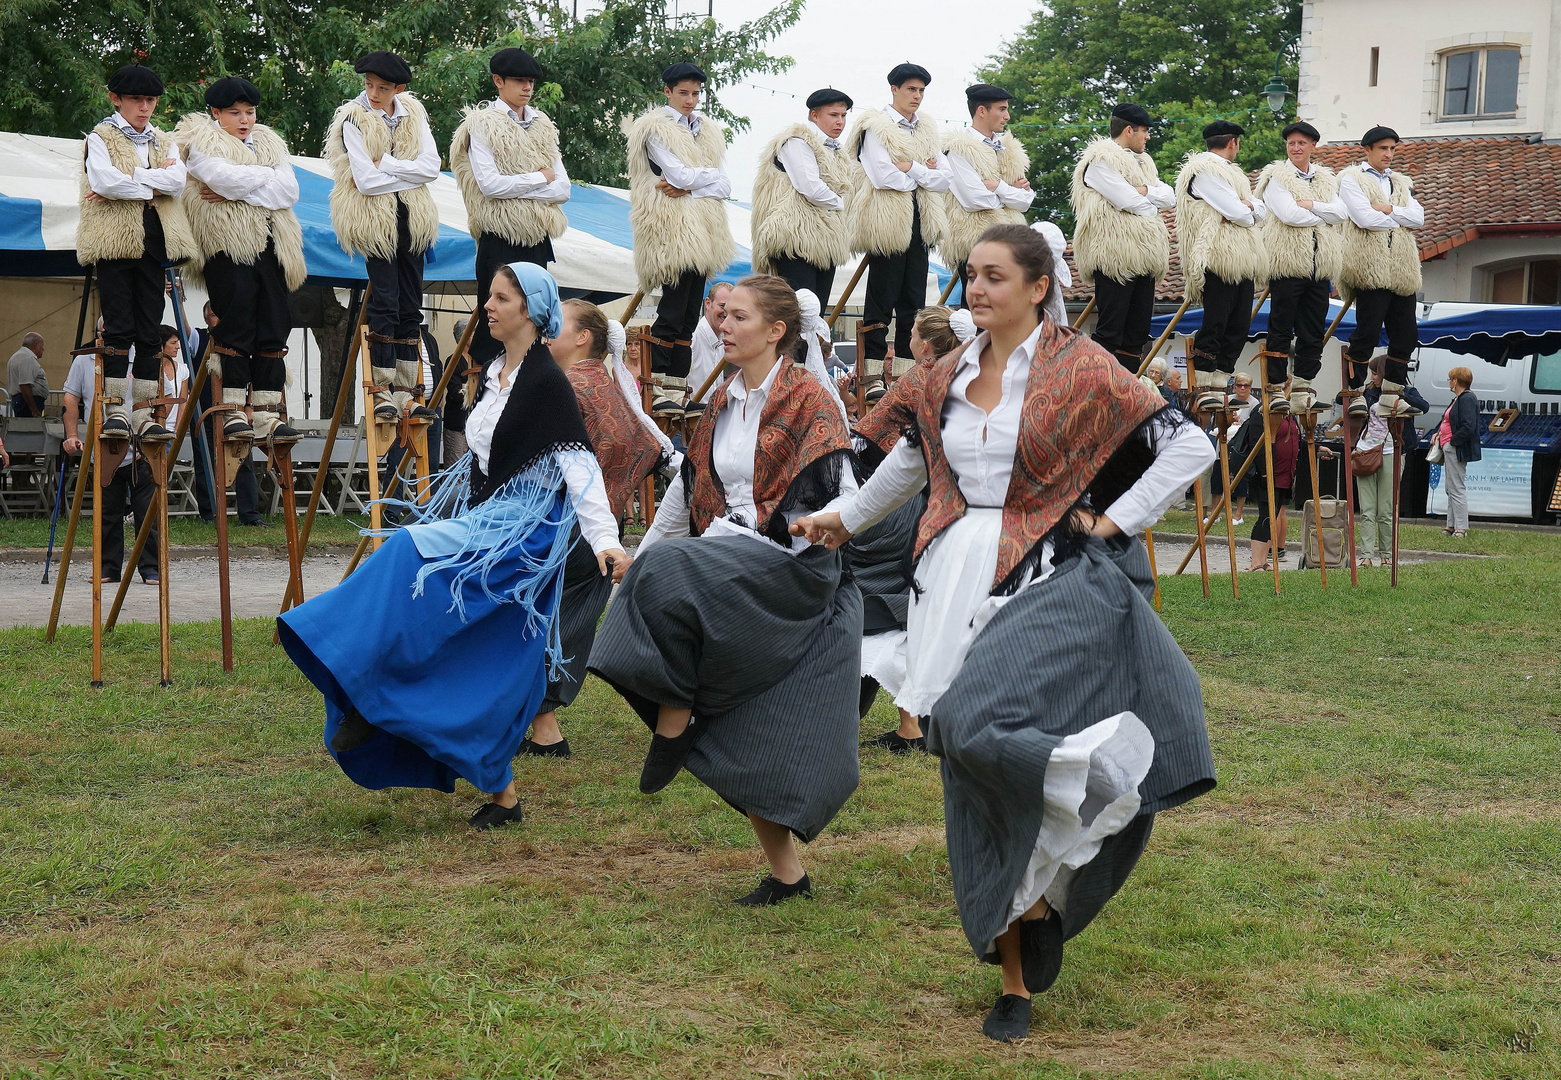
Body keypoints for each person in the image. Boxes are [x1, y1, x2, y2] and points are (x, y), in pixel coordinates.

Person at [793, 224, 1216, 1042]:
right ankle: (1017, 958)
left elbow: (1186, 443)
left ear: (1035, 286)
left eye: (993, 276)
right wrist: (841, 520)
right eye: (968, 276)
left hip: (1047, 572)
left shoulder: (1081, 364)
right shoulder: (942, 372)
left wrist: (1113, 522)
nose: (975, 289)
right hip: (952, 570)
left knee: (979, 727)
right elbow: (912, 466)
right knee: (964, 759)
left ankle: (1094, 789)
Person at [278, 262, 629, 831]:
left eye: (500, 298)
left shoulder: (545, 383)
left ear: (530, 312)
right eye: (489, 297)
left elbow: (580, 466)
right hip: (489, 522)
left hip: (523, 537)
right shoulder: (495, 374)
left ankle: (345, 666)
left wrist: (608, 542)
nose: (487, 306)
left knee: (405, 556)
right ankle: (491, 787)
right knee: (468, 654)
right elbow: (483, 460)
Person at [588, 275, 862, 906]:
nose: (722, 324)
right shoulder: (722, 399)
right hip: (727, 559)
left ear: (775, 330)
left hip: (791, 568)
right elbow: (686, 494)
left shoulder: (810, 400)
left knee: (670, 576)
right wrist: (642, 556)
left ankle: (674, 721)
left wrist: (830, 522)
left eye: (738, 316)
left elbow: (848, 489)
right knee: (746, 719)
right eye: (721, 315)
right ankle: (788, 876)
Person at [523, 300, 675, 758]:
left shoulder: (565, 386)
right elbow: (647, 447)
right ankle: (543, 729)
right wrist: (618, 490)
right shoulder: (608, 384)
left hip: (563, 524)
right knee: (562, 621)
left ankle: (538, 726)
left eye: (558, 324)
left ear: (583, 336)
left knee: (533, 618)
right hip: (601, 528)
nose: (548, 330)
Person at [853, 305, 964, 753]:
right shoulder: (966, 376)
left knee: (867, 591)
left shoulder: (922, 377)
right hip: (931, 502)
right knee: (909, 601)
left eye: (912, 333)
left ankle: (910, 722)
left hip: (896, 501)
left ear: (925, 344)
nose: (909, 341)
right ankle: (917, 716)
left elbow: (868, 443)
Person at [177, 75, 305, 446]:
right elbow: (221, 178)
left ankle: (266, 413)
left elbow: (289, 190)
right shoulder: (200, 141)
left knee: (275, 319)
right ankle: (233, 408)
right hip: (227, 245)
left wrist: (240, 189)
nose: (245, 120)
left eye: (250, 112)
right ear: (216, 113)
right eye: (235, 113)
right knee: (237, 319)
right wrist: (264, 183)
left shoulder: (269, 142)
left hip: (271, 244)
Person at [77, 64, 194, 444]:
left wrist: (133, 180)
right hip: (115, 242)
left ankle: (143, 411)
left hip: (154, 241)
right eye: (136, 100)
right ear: (116, 99)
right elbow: (102, 181)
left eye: (150, 100)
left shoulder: (164, 139)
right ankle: (114, 408)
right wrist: (153, 181)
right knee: (118, 325)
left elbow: (178, 183)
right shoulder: (100, 136)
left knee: (149, 328)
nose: (145, 107)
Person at [327, 50, 441, 426]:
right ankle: (383, 392)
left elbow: (433, 168)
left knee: (412, 305)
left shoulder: (413, 114)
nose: (374, 93)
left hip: (412, 216)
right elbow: (365, 180)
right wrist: (409, 173)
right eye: (370, 85)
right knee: (386, 303)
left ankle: (408, 392)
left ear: (400, 88)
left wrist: (389, 165)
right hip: (376, 221)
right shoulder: (353, 117)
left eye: (384, 87)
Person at [451, 47, 572, 372]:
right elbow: (489, 186)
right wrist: (538, 178)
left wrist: (519, 187)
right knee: (497, 325)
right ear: (498, 81)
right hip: (498, 239)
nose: (527, 87)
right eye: (519, 80)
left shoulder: (543, 126)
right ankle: (486, 399)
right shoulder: (482, 124)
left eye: (530, 81)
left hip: (536, 238)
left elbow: (564, 188)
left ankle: (526, 393)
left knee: (536, 321)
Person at [845, 63, 950, 403]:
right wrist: (922, 174)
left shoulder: (927, 130)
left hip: (920, 225)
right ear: (894, 89)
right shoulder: (876, 126)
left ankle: (907, 375)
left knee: (913, 305)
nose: (917, 96)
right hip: (887, 224)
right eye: (910, 89)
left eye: (921, 91)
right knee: (880, 303)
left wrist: (910, 167)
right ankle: (872, 376)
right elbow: (882, 177)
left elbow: (945, 179)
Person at [627, 62, 736, 378]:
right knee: (672, 312)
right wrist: (704, 180)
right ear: (668, 92)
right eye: (684, 93)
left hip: (703, 231)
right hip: (672, 230)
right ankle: (659, 380)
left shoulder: (706, 130)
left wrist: (692, 187)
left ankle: (676, 383)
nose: (690, 100)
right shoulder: (655, 128)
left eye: (696, 93)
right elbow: (677, 174)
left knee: (690, 315)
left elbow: (725, 186)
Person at [1069, 103, 1173, 370]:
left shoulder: (1144, 163)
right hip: (1114, 254)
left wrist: (1142, 190)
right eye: (1145, 131)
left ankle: (1127, 390)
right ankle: (1099, 385)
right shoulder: (1100, 160)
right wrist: (1148, 197)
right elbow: (1129, 201)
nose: (1148, 137)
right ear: (1129, 130)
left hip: (1145, 255)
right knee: (1111, 329)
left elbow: (1170, 197)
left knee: (1137, 332)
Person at [1253, 121, 1344, 414]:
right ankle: (1276, 387)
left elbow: (1342, 213)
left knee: (1313, 330)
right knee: (1280, 327)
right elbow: (1289, 214)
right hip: (1288, 263)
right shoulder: (1276, 177)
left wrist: (1310, 204)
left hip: (1318, 267)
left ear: (1312, 146)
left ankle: (1303, 388)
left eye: (1301, 143)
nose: (1295, 148)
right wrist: (1322, 212)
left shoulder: (1326, 179)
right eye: (1291, 143)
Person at [1176, 121, 1266, 412]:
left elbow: (1256, 210)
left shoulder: (1232, 174)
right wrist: (1244, 208)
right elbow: (1241, 212)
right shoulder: (1203, 170)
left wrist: (1244, 208)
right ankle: (1203, 384)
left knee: (1239, 326)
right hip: (1217, 256)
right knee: (1215, 323)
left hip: (1241, 258)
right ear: (1233, 143)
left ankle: (1219, 383)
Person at [1339, 126, 1425, 420]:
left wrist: (1386, 209)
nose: (1388, 154)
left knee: (1406, 335)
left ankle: (1392, 394)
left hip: (1401, 268)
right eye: (1383, 149)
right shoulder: (1351, 179)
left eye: (1392, 149)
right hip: (1370, 266)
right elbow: (1364, 218)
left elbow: (1419, 217)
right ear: (1368, 150)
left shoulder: (1400, 182)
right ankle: (1354, 392)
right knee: (1368, 332)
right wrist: (1397, 216)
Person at [61, 342, 159, 583]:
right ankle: (108, 567)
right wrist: (71, 435)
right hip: (104, 446)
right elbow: (70, 398)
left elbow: (159, 399)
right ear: (99, 334)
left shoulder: (143, 354)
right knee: (106, 512)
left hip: (139, 447)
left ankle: (151, 568)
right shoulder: (85, 360)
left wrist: (154, 439)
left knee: (148, 512)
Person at [751, 88, 854, 302]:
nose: (840, 122)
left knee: (816, 310)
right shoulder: (797, 141)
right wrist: (842, 204)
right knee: (798, 310)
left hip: (825, 240)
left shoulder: (836, 149)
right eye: (833, 115)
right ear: (814, 115)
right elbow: (810, 187)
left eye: (843, 115)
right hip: (795, 237)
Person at [942, 84, 1033, 302]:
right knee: (977, 311)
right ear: (981, 111)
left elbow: (1026, 201)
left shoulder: (1009, 150)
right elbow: (975, 199)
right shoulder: (958, 148)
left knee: (1008, 307)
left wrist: (998, 187)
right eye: (1001, 109)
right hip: (975, 243)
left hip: (1009, 243)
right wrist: (1011, 192)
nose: (1007, 116)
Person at [1234, 411, 1299, 571]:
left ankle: (1263, 560)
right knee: (1265, 516)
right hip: (1268, 474)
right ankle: (1255, 561)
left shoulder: (1290, 414)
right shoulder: (1261, 412)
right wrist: (1264, 471)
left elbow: (1295, 440)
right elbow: (1256, 442)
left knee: (1274, 515)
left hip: (1285, 474)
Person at [1435, 365, 1479, 539]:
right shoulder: (1457, 399)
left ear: (1456, 381)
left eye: (1450, 379)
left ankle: (1461, 527)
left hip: (1456, 448)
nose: (1449, 382)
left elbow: (1469, 426)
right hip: (1449, 446)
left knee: (1457, 487)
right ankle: (1451, 524)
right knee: (1450, 487)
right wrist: (1439, 435)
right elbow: (1447, 421)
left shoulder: (1467, 399)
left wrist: (1452, 442)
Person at [681, 281, 733, 413]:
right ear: (708, 303)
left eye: (731, 309)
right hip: (689, 421)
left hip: (711, 418)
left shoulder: (723, 339)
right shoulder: (691, 338)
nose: (726, 313)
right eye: (722, 306)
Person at [7, 333, 48, 417]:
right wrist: (34, 410)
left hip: (23, 401)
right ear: (36, 345)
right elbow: (25, 385)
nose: (43, 349)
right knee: (29, 428)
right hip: (26, 403)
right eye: (42, 345)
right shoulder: (26, 358)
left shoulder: (19, 356)